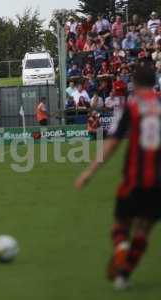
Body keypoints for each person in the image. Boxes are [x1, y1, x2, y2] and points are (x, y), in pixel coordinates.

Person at [75, 66, 161, 290]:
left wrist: (89, 172)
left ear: (134, 82)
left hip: (133, 179)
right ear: (155, 82)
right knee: (143, 230)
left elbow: (113, 143)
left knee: (120, 226)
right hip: (158, 183)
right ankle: (124, 274)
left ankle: (121, 254)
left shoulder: (131, 108)